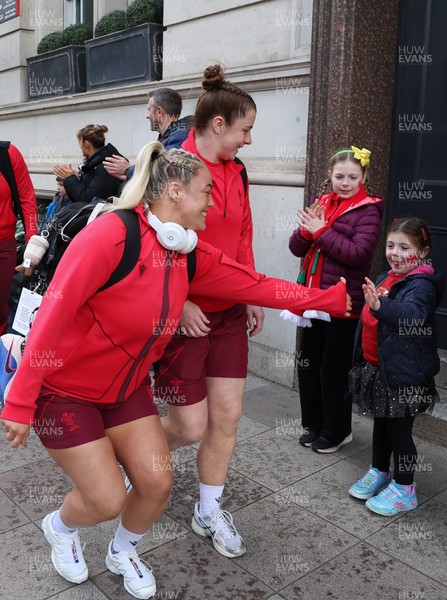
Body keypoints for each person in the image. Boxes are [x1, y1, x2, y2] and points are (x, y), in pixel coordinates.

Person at [1, 141, 350, 599]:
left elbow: (255, 284)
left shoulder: (186, 252)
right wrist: (21, 400)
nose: (213, 201)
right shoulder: (110, 236)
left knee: (157, 481)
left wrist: (328, 300)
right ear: (174, 191)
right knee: (106, 499)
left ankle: (123, 551)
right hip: (65, 390)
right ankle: (60, 527)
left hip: (125, 392)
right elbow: (52, 316)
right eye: (206, 191)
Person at [153, 64, 264, 559]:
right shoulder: (172, 167)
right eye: (245, 130)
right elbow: (147, 245)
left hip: (228, 315)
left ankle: (208, 509)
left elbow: (243, 235)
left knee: (228, 416)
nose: (247, 141)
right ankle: (129, 458)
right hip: (183, 316)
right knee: (186, 427)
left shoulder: (238, 171)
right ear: (218, 125)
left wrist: (252, 292)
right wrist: (180, 302)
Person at [289, 146, 384, 453]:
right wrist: (307, 231)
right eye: (340, 176)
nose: (345, 182)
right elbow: (295, 247)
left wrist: (320, 231)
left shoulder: (368, 210)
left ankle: (337, 431)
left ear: (364, 178)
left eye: (353, 177)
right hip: (315, 299)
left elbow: (358, 255)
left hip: (345, 304)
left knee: (333, 371)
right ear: (329, 175)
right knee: (309, 364)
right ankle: (314, 425)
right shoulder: (322, 202)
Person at [348, 217, 444, 515]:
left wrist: (380, 306)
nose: (395, 253)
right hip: (381, 369)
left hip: (405, 375)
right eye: (391, 245)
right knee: (381, 423)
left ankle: (405, 488)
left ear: (423, 253)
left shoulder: (422, 284)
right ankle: (380, 471)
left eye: (405, 247)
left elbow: (411, 316)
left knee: (399, 432)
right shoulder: (385, 276)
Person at [103, 87, 193, 181]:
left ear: (159, 111)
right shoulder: (172, 136)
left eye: (149, 110)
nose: (147, 116)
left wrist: (128, 170)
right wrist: (128, 175)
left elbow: (162, 169)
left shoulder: (180, 136)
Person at [0, 142, 38, 334]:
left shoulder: (8, 154)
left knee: (3, 309)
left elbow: (27, 201)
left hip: (4, 247)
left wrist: (32, 250)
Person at [53, 124, 125, 203]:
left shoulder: (105, 165)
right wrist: (74, 178)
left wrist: (70, 179)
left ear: (86, 144)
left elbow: (88, 200)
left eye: (80, 142)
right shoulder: (95, 163)